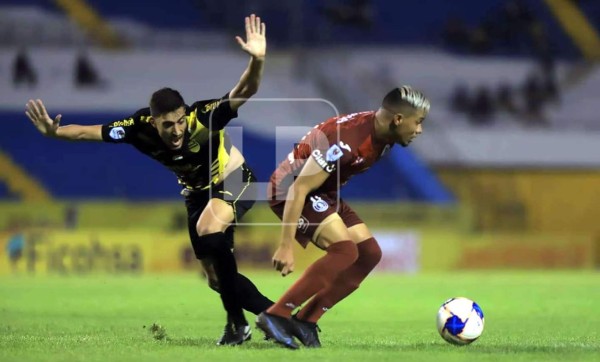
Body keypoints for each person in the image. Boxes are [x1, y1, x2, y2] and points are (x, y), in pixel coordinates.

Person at [25, 14, 273, 346]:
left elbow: (247, 89)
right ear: (153, 122)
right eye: (167, 125)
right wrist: (53, 132)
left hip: (233, 179)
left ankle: (239, 324)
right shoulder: (136, 128)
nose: (176, 131)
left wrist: (257, 60)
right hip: (196, 193)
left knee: (208, 230)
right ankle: (277, 316)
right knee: (214, 278)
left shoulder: (202, 117)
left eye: (179, 122)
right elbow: (87, 132)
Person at [257, 86, 430, 349]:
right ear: (397, 119)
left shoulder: (383, 137)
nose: (419, 130)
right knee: (344, 251)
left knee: (369, 253)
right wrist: (285, 245)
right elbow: (299, 187)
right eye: (417, 122)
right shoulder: (346, 141)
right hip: (290, 190)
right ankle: (276, 315)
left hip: (324, 192)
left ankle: (306, 320)